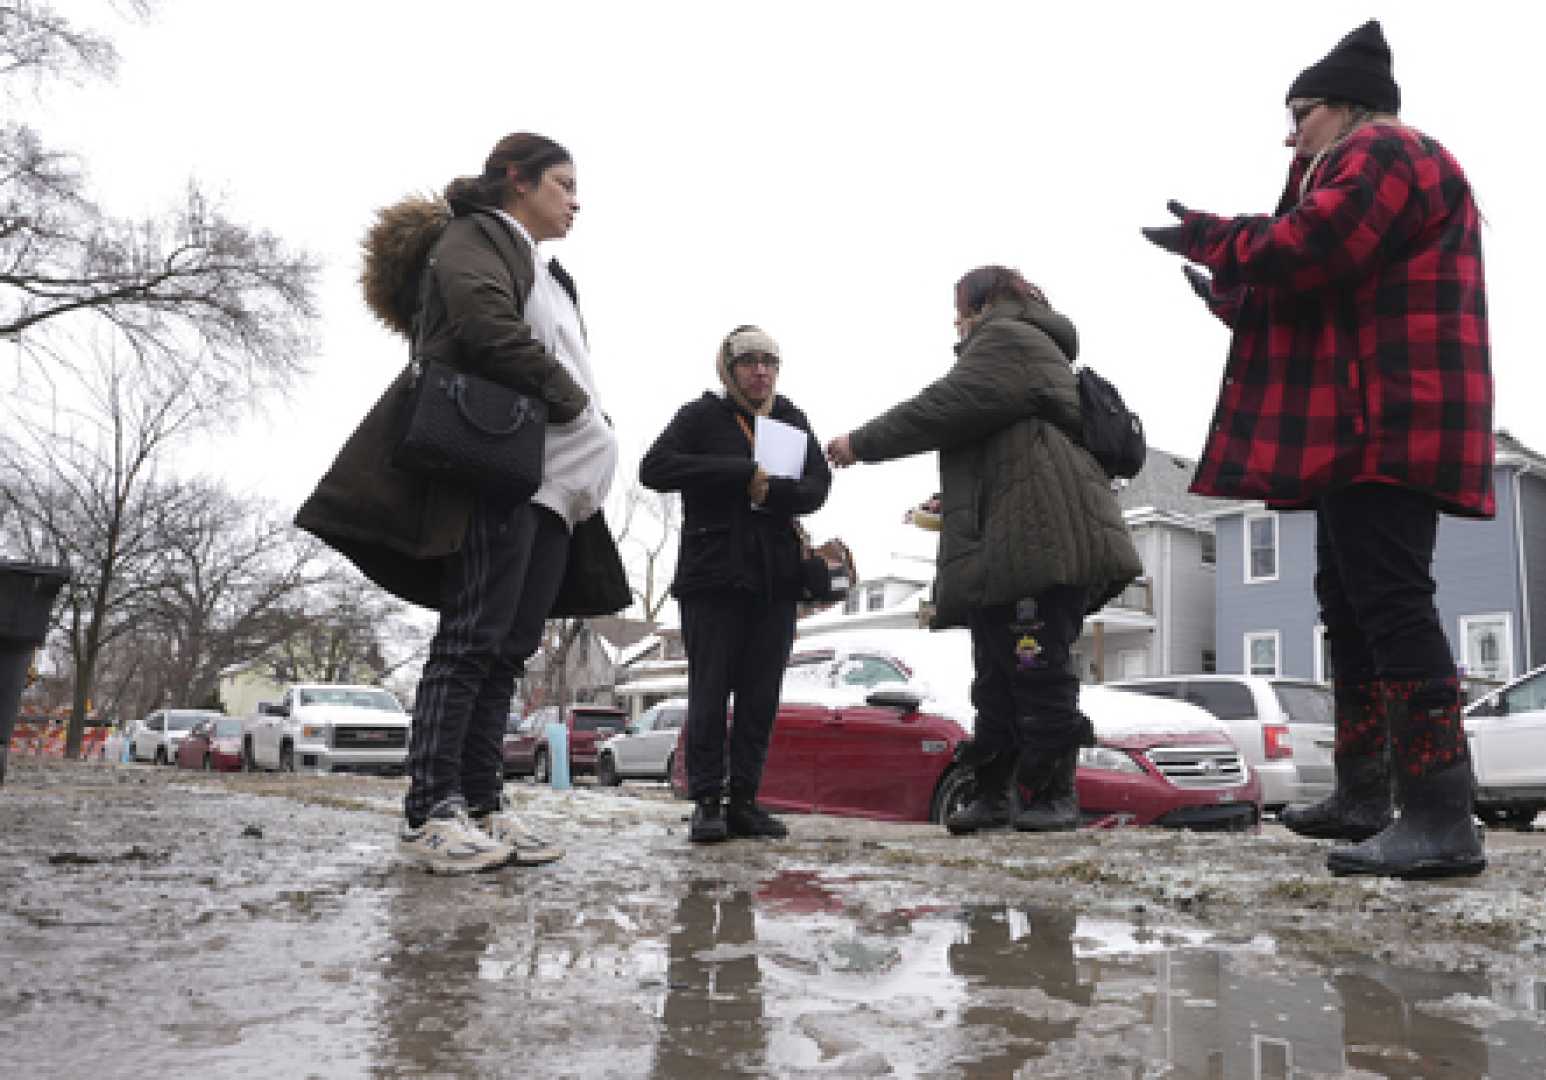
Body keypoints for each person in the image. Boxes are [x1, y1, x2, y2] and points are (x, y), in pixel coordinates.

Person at [1140, 20, 1493, 879]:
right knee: (1350, 605)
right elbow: (1315, 288)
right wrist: (1230, 288)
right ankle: (1365, 796)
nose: (1289, 133)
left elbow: (1313, 248)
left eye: (1300, 113)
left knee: (1393, 604)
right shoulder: (1355, 164)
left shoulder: (1385, 151)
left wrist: (1215, 238)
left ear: (1344, 107)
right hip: (1359, 421)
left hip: (1392, 416)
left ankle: (1444, 815)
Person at [297, 133, 631, 874]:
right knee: (470, 638)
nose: (576, 200)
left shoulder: (552, 275)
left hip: (558, 496)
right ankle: (430, 811)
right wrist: (574, 404)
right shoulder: (477, 236)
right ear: (517, 180)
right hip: (502, 472)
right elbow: (484, 326)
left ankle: (482, 804)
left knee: (509, 649)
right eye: (563, 183)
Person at [824, 267, 1142, 835]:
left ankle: (1051, 792)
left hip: (1041, 542)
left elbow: (944, 406)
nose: (955, 320)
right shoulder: (1023, 346)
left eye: (959, 307)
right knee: (995, 675)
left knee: (1036, 668)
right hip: (1015, 542)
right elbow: (1007, 448)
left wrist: (860, 444)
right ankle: (993, 792)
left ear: (983, 301)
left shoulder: (1009, 337)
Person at [640, 326, 831, 844]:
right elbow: (654, 469)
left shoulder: (791, 418)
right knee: (709, 692)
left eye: (770, 361)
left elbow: (818, 485)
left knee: (760, 697)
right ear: (728, 366)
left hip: (775, 582)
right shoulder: (702, 416)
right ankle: (706, 802)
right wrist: (737, 472)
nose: (760, 371)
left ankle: (745, 800)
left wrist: (774, 490)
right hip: (713, 576)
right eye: (748, 361)